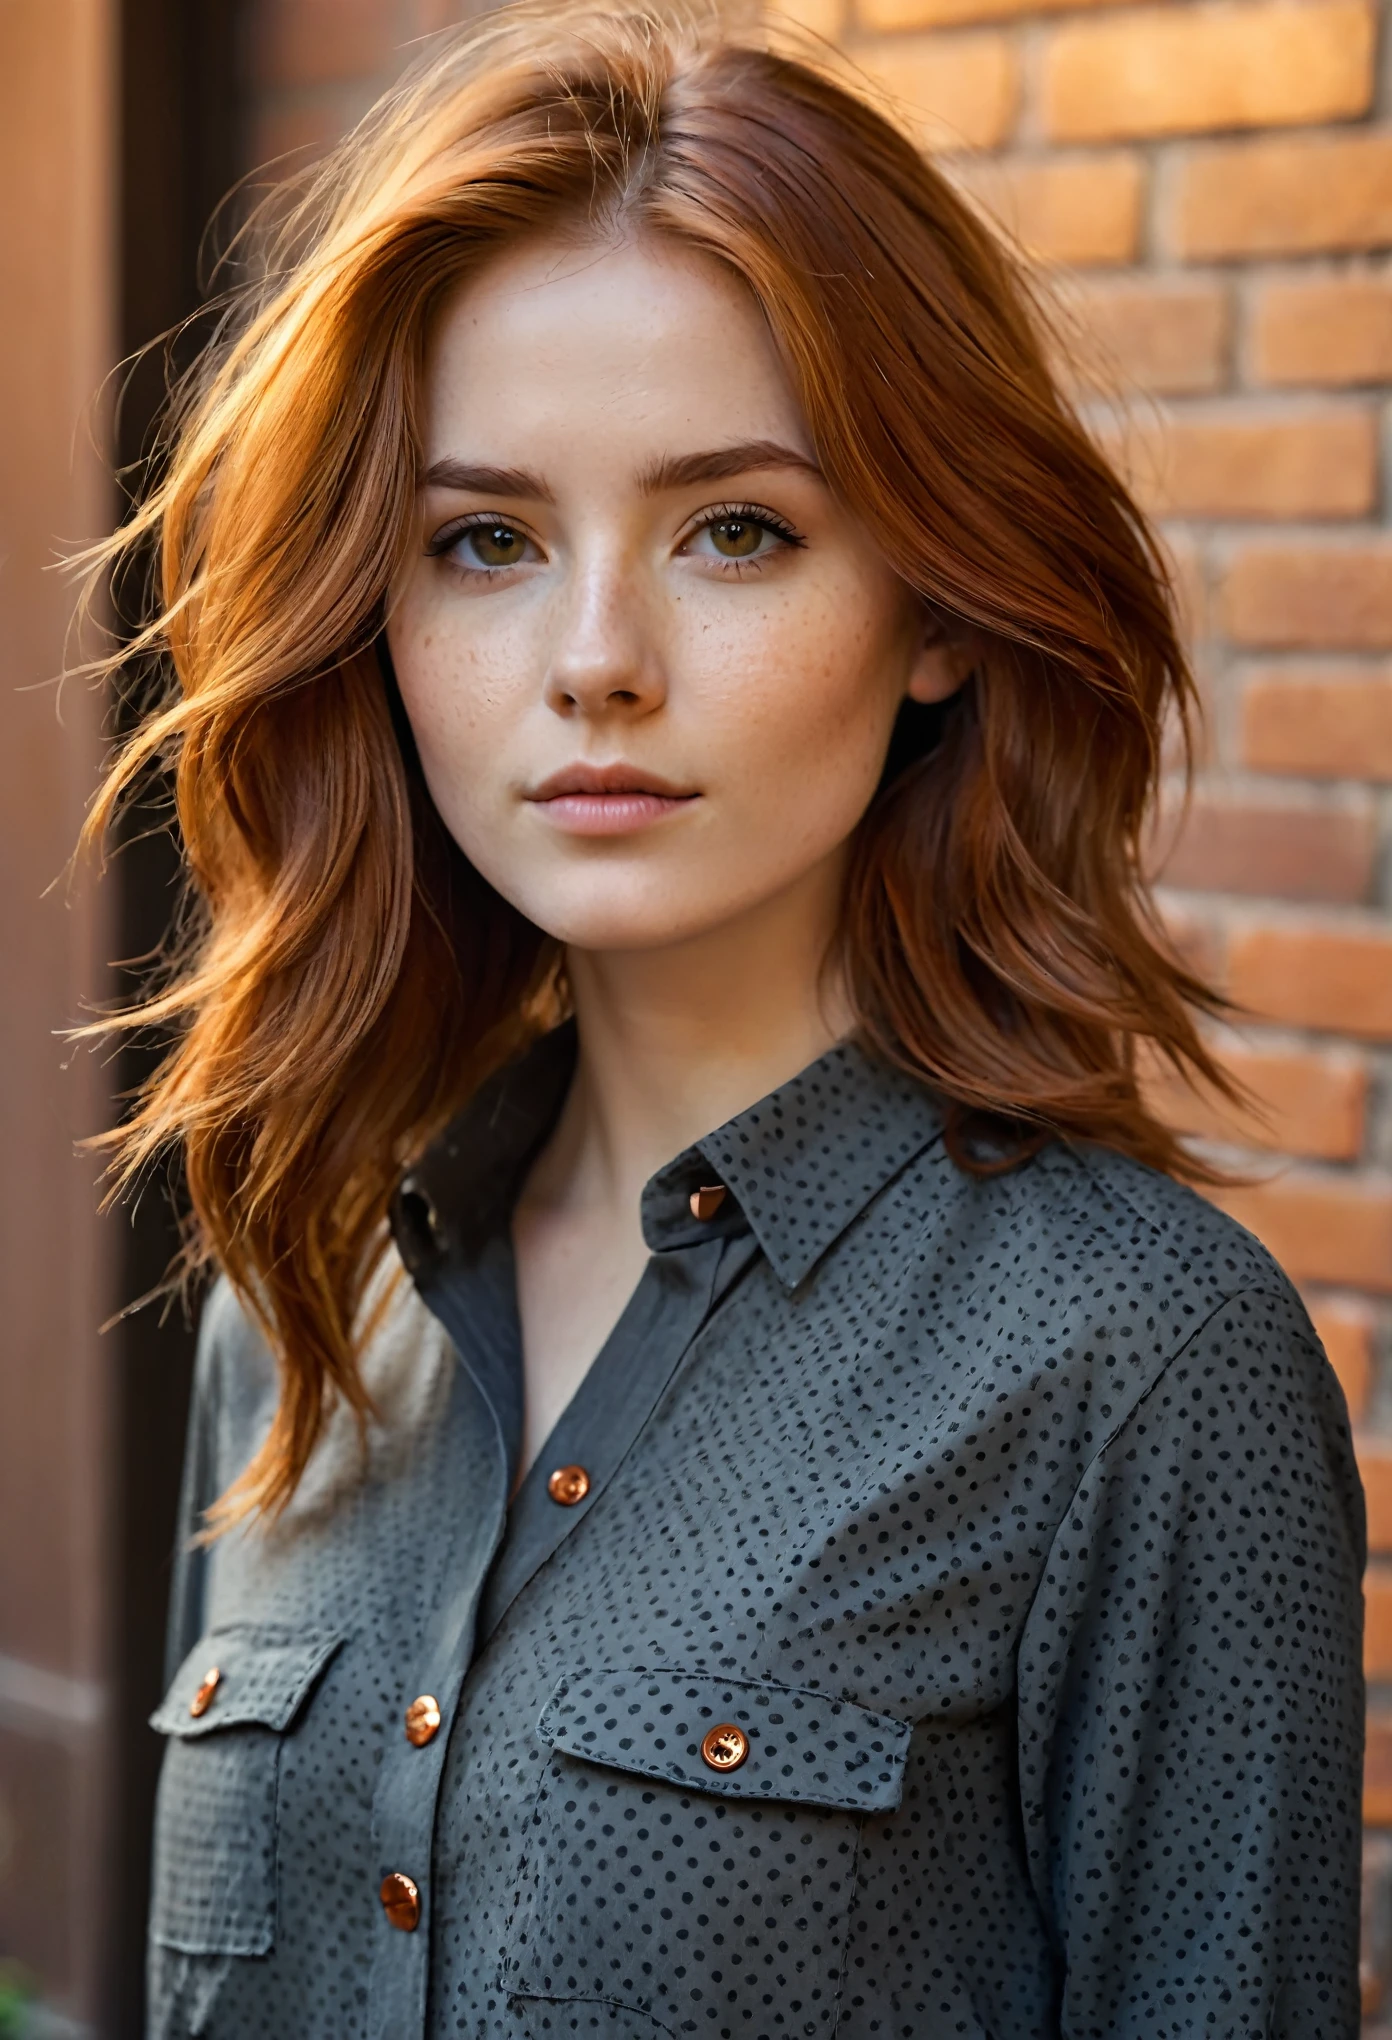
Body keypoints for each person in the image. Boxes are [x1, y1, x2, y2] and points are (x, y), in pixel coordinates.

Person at [86, 5, 1364, 2035]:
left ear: (936, 609)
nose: (597, 661)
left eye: (736, 529)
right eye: (484, 541)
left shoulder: (1135, 1366)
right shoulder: (308, 1304)